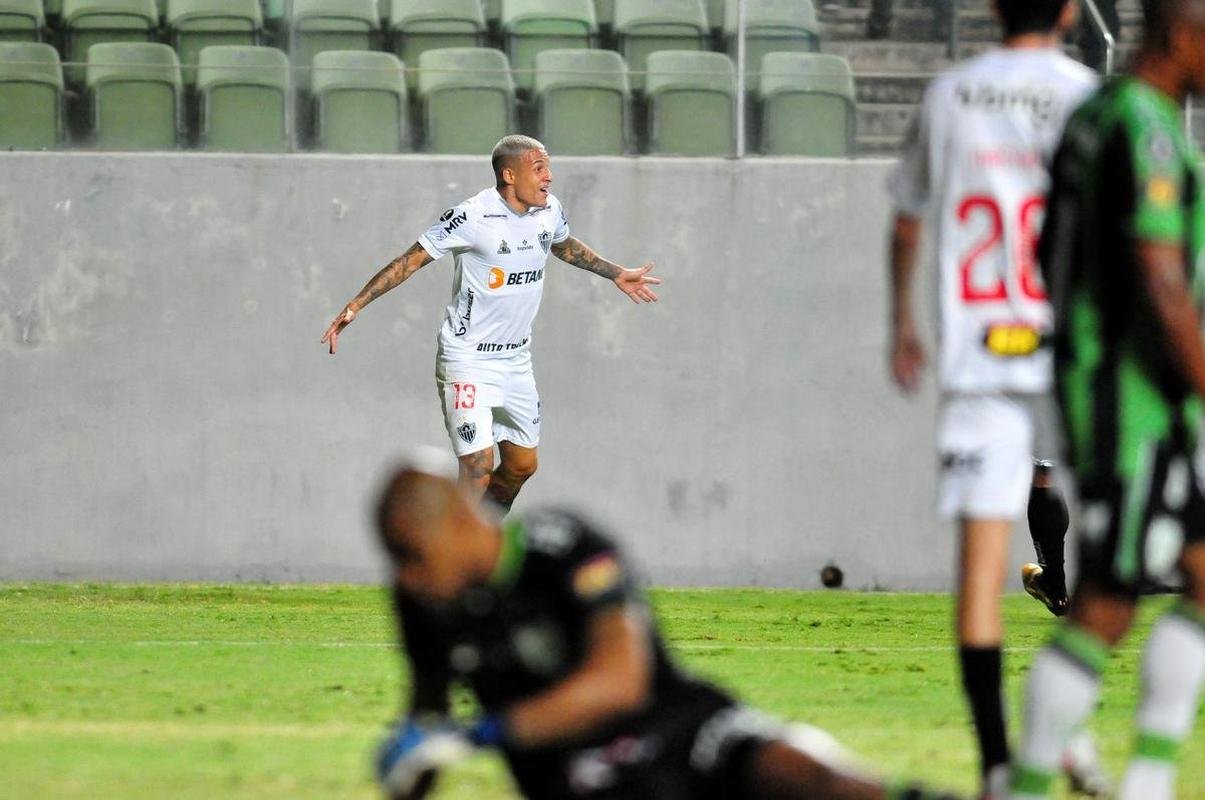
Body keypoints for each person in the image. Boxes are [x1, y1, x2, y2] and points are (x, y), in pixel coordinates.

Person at [371, 451, 965, 800]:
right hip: (582, 782)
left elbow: (619, 681)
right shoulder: (420, 602)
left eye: (411, 554)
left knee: (801, 774)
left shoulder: (562, 547)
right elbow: (427, 726)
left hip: (678, 728)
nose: (407, 577)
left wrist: (481, 735)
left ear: (456, 523)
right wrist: (408, 763)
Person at [884, 1, 1098, 795]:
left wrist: (901, 321)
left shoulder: (949, 93)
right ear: (1072, 10)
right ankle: (1064, 734)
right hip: (1065, 348)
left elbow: (907, 219)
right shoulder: (1086, 94)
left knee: (978, 571)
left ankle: (997, 768)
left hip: (978, 353)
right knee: (1113, 554)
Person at [1010, 1, 1205, 797]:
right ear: (1180, 36)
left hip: (1109, 385)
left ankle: (1145, 782)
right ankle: (1028, 778)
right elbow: (1160, 279)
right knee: (1104, 602)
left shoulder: (1094, 115)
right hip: (1129, 398)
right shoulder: (1146, 126)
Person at [321, 135, 661, 512]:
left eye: (548, 167)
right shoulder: (471, 216)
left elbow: (562, 244)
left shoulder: (549, 211)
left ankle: (479, 544)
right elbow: (410, 261)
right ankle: (451, 564)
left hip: (516, 361)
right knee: (478, 467)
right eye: (539, 168)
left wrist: (615, 273)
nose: (549, 176)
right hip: (467, 359)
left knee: (521, 466)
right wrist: (356, 304)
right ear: (509, 174)